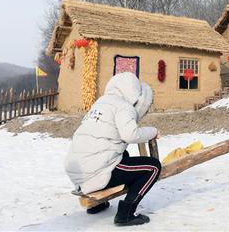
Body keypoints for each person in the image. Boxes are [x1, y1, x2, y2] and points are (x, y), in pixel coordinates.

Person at [65, 72, 161, 226]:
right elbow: (131, 135)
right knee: (153, 167)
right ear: (133, 91)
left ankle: (98, 204)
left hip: (79, 173)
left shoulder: (101, 103)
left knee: (125, 155)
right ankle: (126, 214)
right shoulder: (124, 106)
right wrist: (153, 132)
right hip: (97, 171)